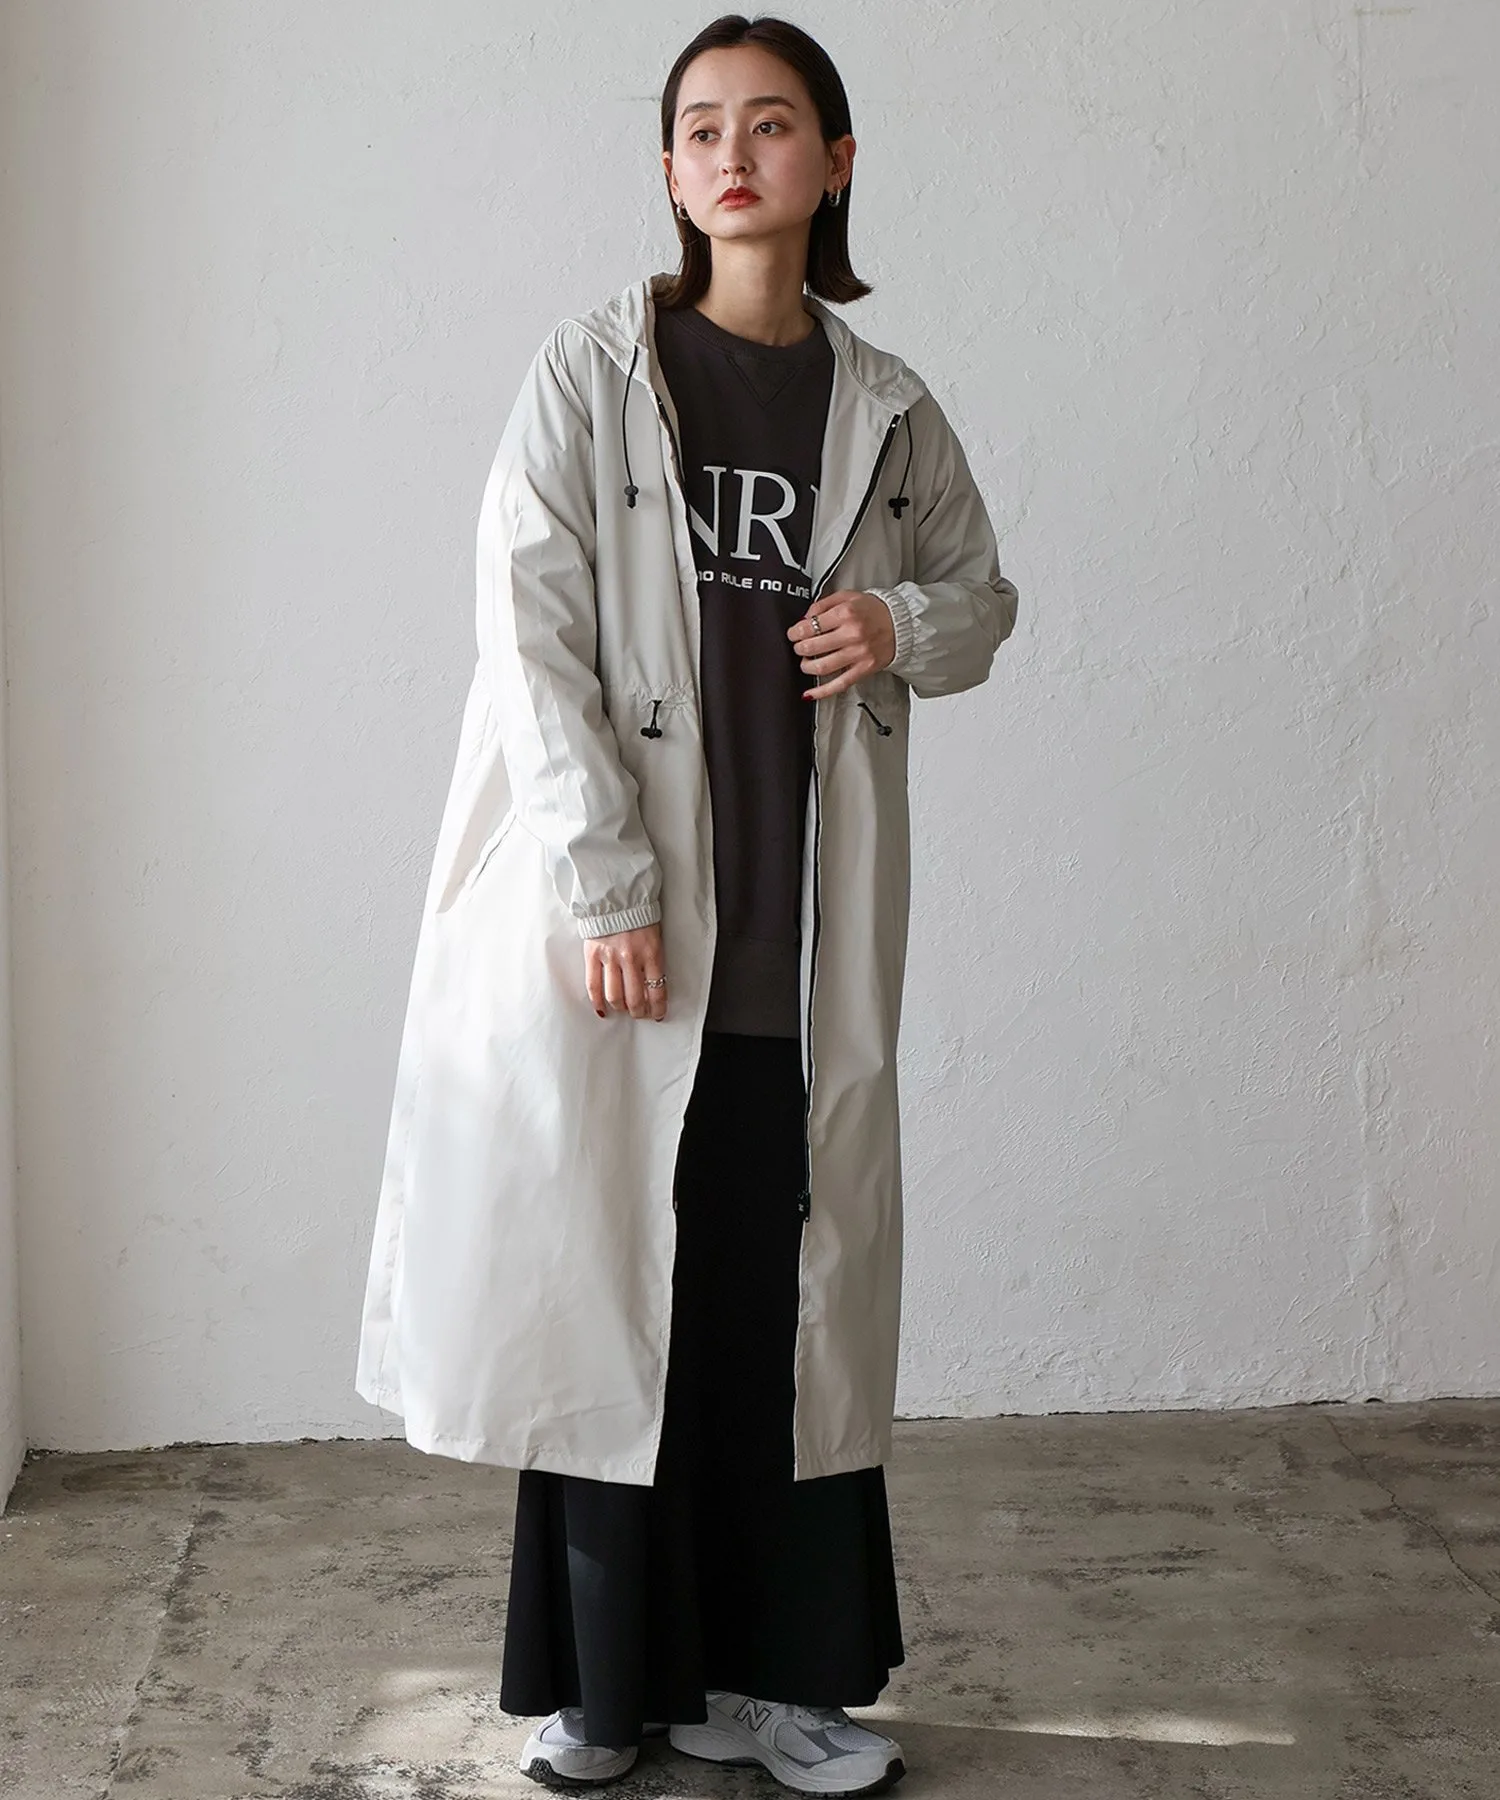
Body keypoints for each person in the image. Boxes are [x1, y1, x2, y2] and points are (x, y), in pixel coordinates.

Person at [354, 12, 1018, 1795]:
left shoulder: (889, 409)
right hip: (633, 935)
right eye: (703, 128)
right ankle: (603, 1691)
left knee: (769, 1315)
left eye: (773, 124)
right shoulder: (592, 374)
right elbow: (531, 638)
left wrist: (901, 622)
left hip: (797, 944)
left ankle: (782, 1685)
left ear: (836, 162)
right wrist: (606, 883)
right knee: (608, 1308)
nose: (735, 154)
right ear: (668, 171)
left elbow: (984, 597)